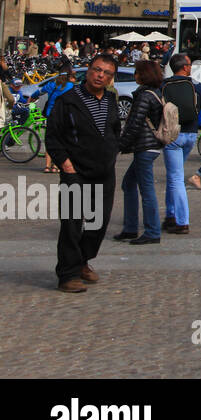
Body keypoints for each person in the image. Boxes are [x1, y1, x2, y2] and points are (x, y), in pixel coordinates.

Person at [45, 53, 121, 292]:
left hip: (104, 172)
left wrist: (111, 154)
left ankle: (81, 262)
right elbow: (53, 136)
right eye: (97, 70)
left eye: (106, 73)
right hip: (75, 172)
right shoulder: (68, 100)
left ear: (111, 78)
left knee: (98, 223)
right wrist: (66, 165)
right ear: (88, 70)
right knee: (72, 225)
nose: (100, 75)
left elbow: (114, 130)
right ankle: (67, 275)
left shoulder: (110, 100)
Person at [165, 54, 201, 233]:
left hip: (172, 135)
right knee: (174, 175)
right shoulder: (197, 86)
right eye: (190, 64)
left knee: (175, 178)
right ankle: (170, 215)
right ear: (185, 68)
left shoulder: (164, 85)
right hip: (190, 134)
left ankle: (181, 221)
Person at [115, 59, 166, 245]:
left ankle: (152, 231)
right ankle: (130, 228)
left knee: (146, 189)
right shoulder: (155, 93)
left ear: (143, 75)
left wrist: (121, 145)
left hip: (145, 146)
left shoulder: (145, 95)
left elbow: (134, 123)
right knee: (128, 184)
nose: (134, 75)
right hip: (150, 145)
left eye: (137, 72)